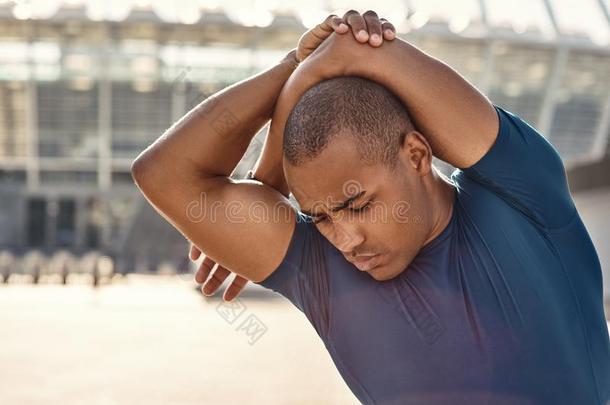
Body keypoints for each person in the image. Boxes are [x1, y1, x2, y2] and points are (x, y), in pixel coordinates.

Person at [131, 10, 610, 404]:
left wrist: (269, 172)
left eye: (357, 204)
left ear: (417, 155)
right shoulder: (318, 269)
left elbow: (351, 48)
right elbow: (162, 174)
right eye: (319, 216)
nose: (345, 240)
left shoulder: (522, 195)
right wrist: (290, 70)